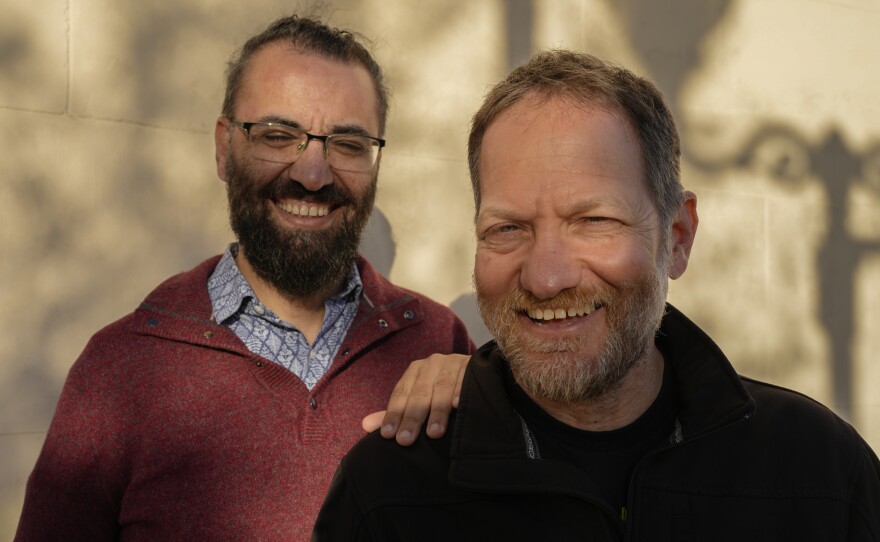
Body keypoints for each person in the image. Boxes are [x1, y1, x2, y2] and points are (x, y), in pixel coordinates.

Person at [313, 49, 880, 541]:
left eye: (593, 221)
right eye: (507, 229)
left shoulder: (820, 473)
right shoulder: (389, 495)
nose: (546, 277)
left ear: (677, 238)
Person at [15, 15, 473, 542]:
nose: (313, 173)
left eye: (348, 144)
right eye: (279, 135)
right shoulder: (118, 371)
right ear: (223, 148)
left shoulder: (437, 345)